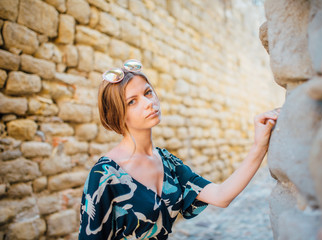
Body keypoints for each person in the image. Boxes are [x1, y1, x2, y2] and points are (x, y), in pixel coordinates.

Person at [78, 59, 280, 240]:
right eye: (132, 101)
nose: (149, 103)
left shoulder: (168, 163)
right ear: (117, 115)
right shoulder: (104, 176)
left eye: (148, 92)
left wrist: (259, 146)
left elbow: (221, 195)